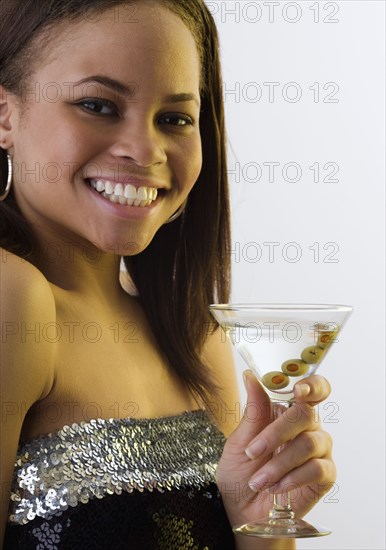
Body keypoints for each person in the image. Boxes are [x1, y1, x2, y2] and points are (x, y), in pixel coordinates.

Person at [0, 1, 335, 548]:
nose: (145, 149)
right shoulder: (12, 296)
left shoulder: (191, 333)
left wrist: (261, 521)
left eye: (175, 119)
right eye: (97, 105)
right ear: (5, 116)